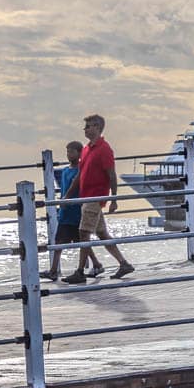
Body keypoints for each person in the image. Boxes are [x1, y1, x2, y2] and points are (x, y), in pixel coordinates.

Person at [62, 114, 133, 284]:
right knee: (101, 233)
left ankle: (80, 271)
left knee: (83, 232)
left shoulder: (104, 149)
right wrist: (68, 196)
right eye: (85, 127)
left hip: (95, 197)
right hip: (86, 197)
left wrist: (113, 199)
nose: (85, 129)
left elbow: (111, 175)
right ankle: (124, 264)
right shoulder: (87, 149)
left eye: (88, 126)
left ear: (97, 127)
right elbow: (80, 175)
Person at [42, 141, 103, 281]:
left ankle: (96, 264)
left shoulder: (82, 170)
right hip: (65, 211)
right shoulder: (65, 171)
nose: (69, 154)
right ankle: (54, 270)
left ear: (80, 153)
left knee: (81, 240)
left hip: (77, 210)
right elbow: (64, 189)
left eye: (72, 152)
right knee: (59, 241)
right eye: (67, 152)